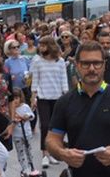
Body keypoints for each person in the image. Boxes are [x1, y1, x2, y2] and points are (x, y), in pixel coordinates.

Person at [46, 41, 110, 177]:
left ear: (104, 65)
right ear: (77, 65)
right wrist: (63, 154)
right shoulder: (65, 102)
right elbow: (52, 139)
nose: (92, 68)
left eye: (97, 63)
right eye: (86, 64)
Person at [30, 36, 69, 168]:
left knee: (55, 126)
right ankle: (44, 154)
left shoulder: (60, 61)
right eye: (40, 45)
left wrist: (66, 95)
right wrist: (33, 97)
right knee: (45, 125)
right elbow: (35, 80)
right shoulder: (37, 61)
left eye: (43, 45)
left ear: (50, 46)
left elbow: (64, 79)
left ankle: (53, 152)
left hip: (57, 97)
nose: (40, 47)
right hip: (43, 97)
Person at [11, 88, 37, 176]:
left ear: (20, 98)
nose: (15, 101)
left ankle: (31, 167)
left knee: (28, 150)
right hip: (17, 135)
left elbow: (32, 115)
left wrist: (28, 116)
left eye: (17, 98)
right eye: (13, 99)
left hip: (26, 133)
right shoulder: (11, 109)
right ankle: (24, 168)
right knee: (20, 152)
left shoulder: (25, 106)